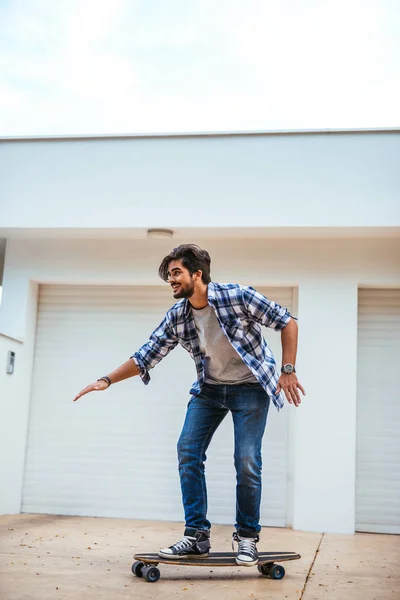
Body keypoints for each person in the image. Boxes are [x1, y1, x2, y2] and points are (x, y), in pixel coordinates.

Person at [74, 244, 305, 566]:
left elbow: (287, 321)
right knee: (188, 451)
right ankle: (197, 535)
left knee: (247, 460)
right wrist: (106, 380)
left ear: (197, 274)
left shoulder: (238, 295)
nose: (171, 279)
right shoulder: (178, 315)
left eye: (176, 273)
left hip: (251, 389)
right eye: (168, 275)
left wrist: (288, 370)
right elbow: (147, 354)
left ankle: (248, 538)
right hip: (210, 390)